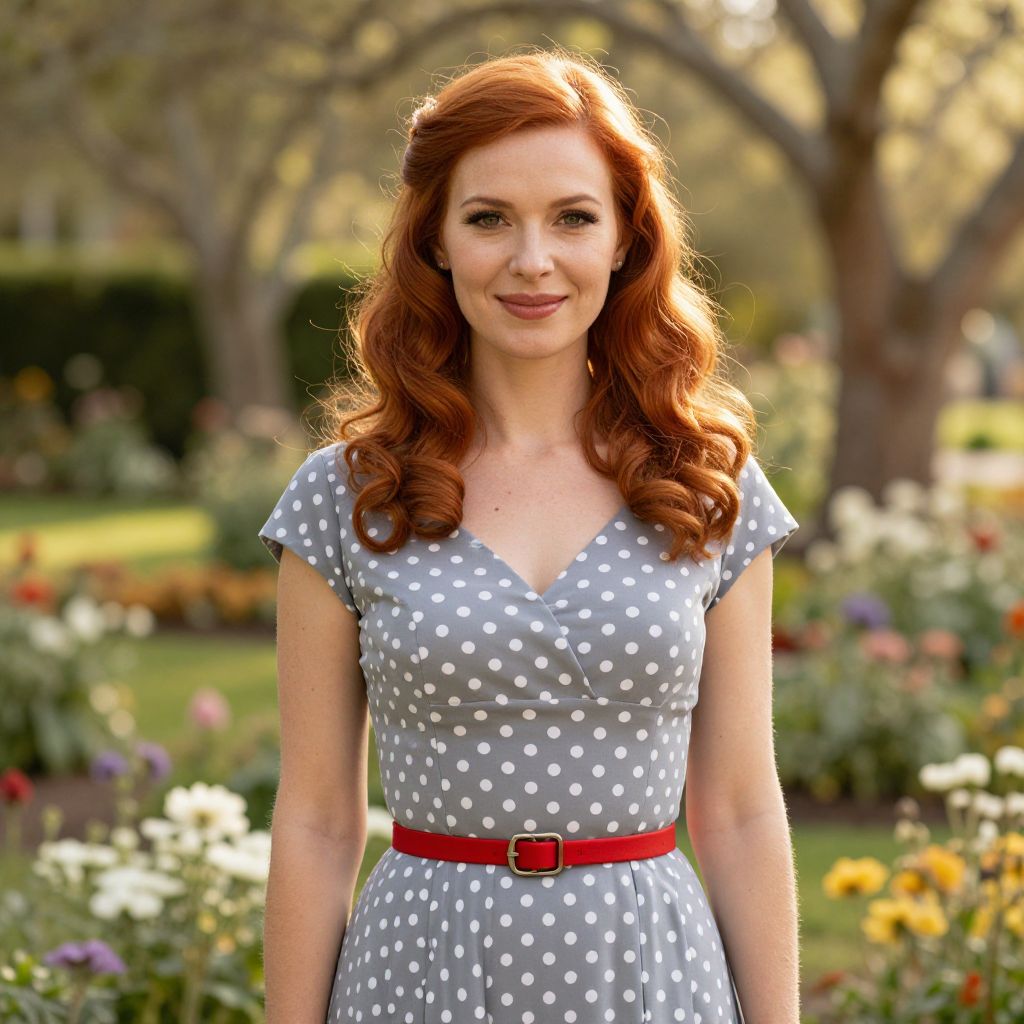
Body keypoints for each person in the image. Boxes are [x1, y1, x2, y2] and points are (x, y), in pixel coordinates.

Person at [258, 46, 801, 1024]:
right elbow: (314, 820)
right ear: (435, 241)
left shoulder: (705, 483)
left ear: (626, 241)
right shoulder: (345, 496)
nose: (531, 260)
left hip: (650, 973)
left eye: (572, 218)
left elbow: (741, 810)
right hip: (417, 972)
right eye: (488, 219)